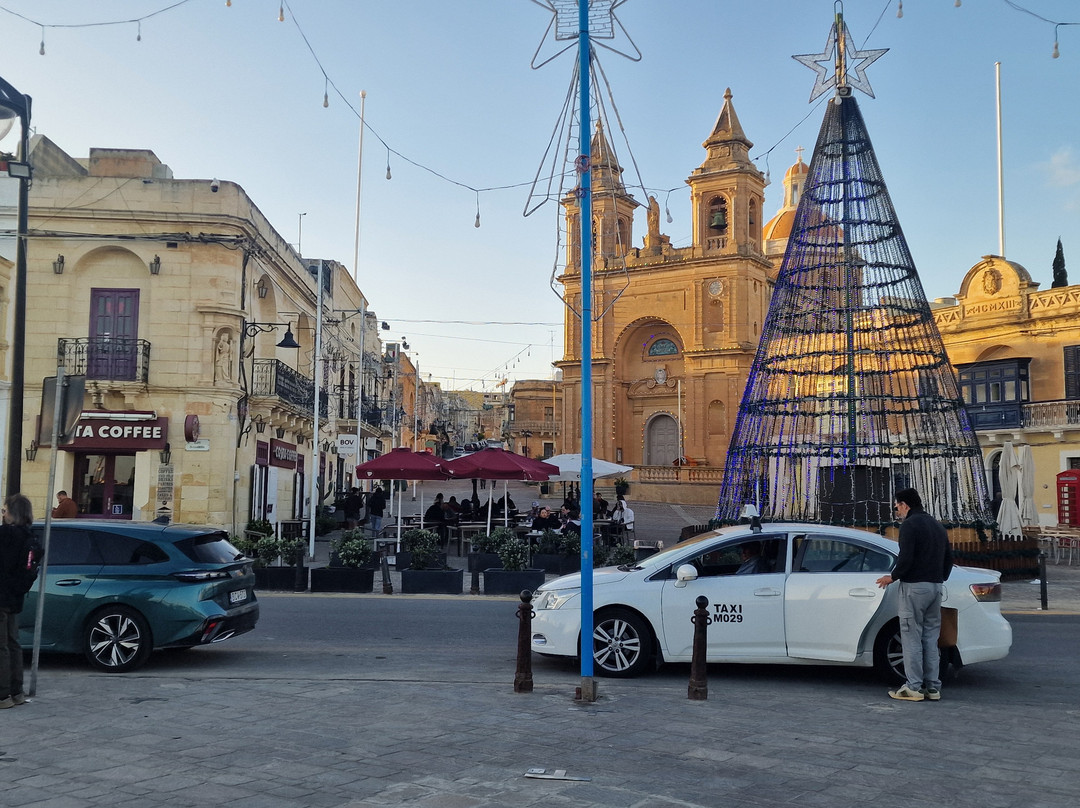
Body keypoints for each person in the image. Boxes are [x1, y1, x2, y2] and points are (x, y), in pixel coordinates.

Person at [876, 487, 954, 702]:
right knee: (931, 638)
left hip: (914, 587)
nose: (897, 511)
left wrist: (893, 576)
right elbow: (949, 558)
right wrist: (939, 577)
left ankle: (913, 687)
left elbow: (906, 557)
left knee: (911, 638)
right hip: (936, 586)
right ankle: (933, 687)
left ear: (905, 505)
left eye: (897, 507)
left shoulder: (910, 525)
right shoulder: (937, 525)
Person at [1, 494, 37, 709]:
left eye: (4, 510)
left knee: (1, 647)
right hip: (15, 597)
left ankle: (2, 695)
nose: (3, 514)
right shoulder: (29, 535)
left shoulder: (5, 534)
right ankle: (17, 692)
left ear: (13, 512)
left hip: (1, 594)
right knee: (13, 644)